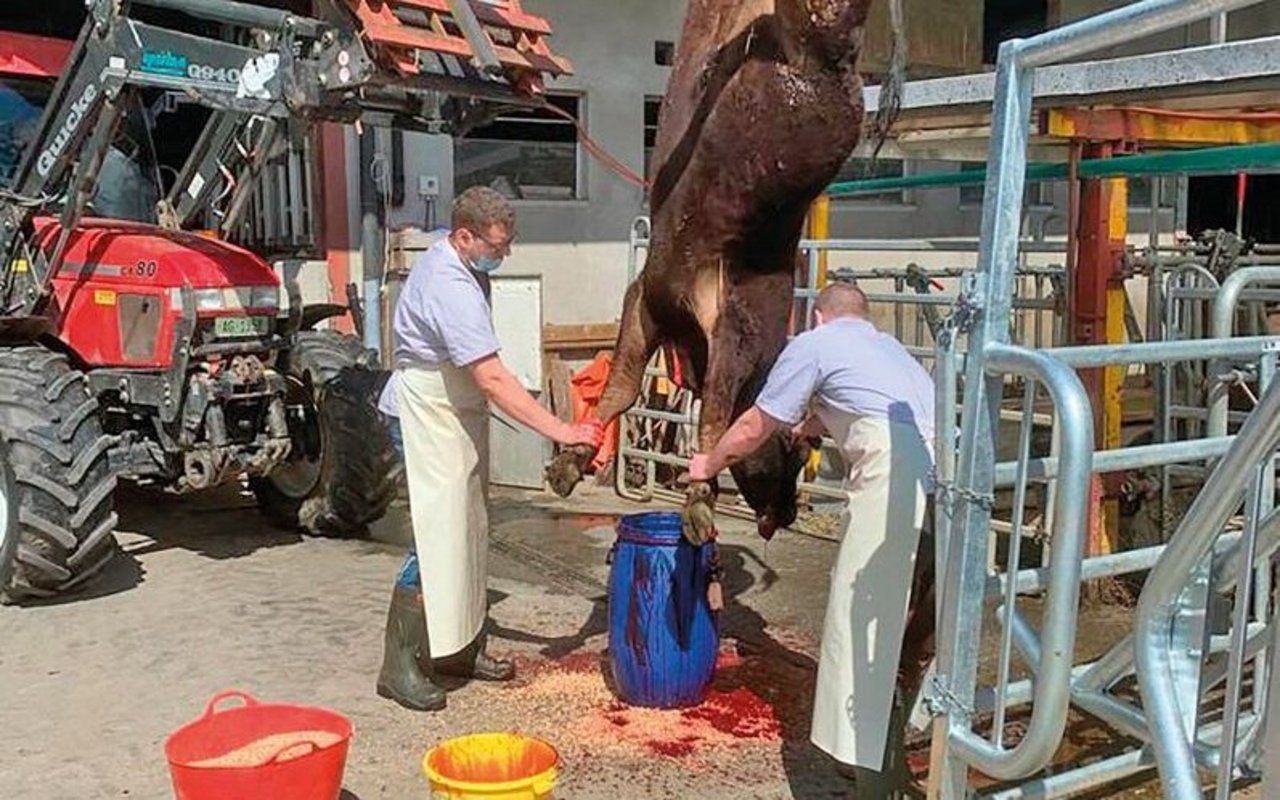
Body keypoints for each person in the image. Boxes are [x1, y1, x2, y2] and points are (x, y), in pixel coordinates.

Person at [687, 281, 934, 795]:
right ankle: (907, 733)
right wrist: (813, 425)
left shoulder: (813, 345)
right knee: (920, 620)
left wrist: (708, 462)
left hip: (893, 474)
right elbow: (863, 405)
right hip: (947, 473)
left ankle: (863, 765)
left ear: (818, 317)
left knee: (863, 613)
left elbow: (756, 424)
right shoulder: (889, 349)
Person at [375, 187, 602, 713]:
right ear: (463, 236)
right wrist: (562, 431)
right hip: (425, 412)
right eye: (498, 245)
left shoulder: (463, 264)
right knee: (435, 538)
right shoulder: (448, 283)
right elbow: (493, 377)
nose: (505, 254)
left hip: (454, 410)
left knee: (469, 530)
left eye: (509, 243)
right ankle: (400, 665)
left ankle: (458, 648)